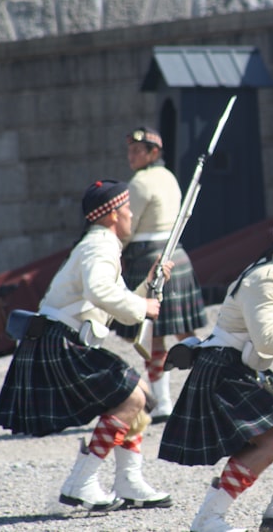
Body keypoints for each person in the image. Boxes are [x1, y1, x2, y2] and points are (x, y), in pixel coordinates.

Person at [0, 179, 173, 512]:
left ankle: (127, 481)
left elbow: (111, 299)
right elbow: (100, 293)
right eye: (128, 208)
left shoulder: (99, 244)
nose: (132, 214)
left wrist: (149, 284)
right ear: (114, 214)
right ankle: (81, 483)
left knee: (136, 395)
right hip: (60, 341)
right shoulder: (100, 246)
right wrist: (142, 308)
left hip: (60, 339)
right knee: (133, 395)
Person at [159, 207, 273, 532]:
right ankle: (208, 519)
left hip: (243, 367)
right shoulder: (266, 277)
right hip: (225, 368)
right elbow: (267, 339)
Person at [112, 126, 207, 423]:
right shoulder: (170, 177)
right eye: (130, 150)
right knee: (184, 333)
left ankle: (164, 401)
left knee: (150, 335)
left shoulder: (139, 183)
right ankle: (207, 388)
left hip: (148, 258)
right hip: (176, 253)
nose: (131, 156)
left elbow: (128, 227)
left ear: (154, 152)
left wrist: (115, 252)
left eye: (138, 151)